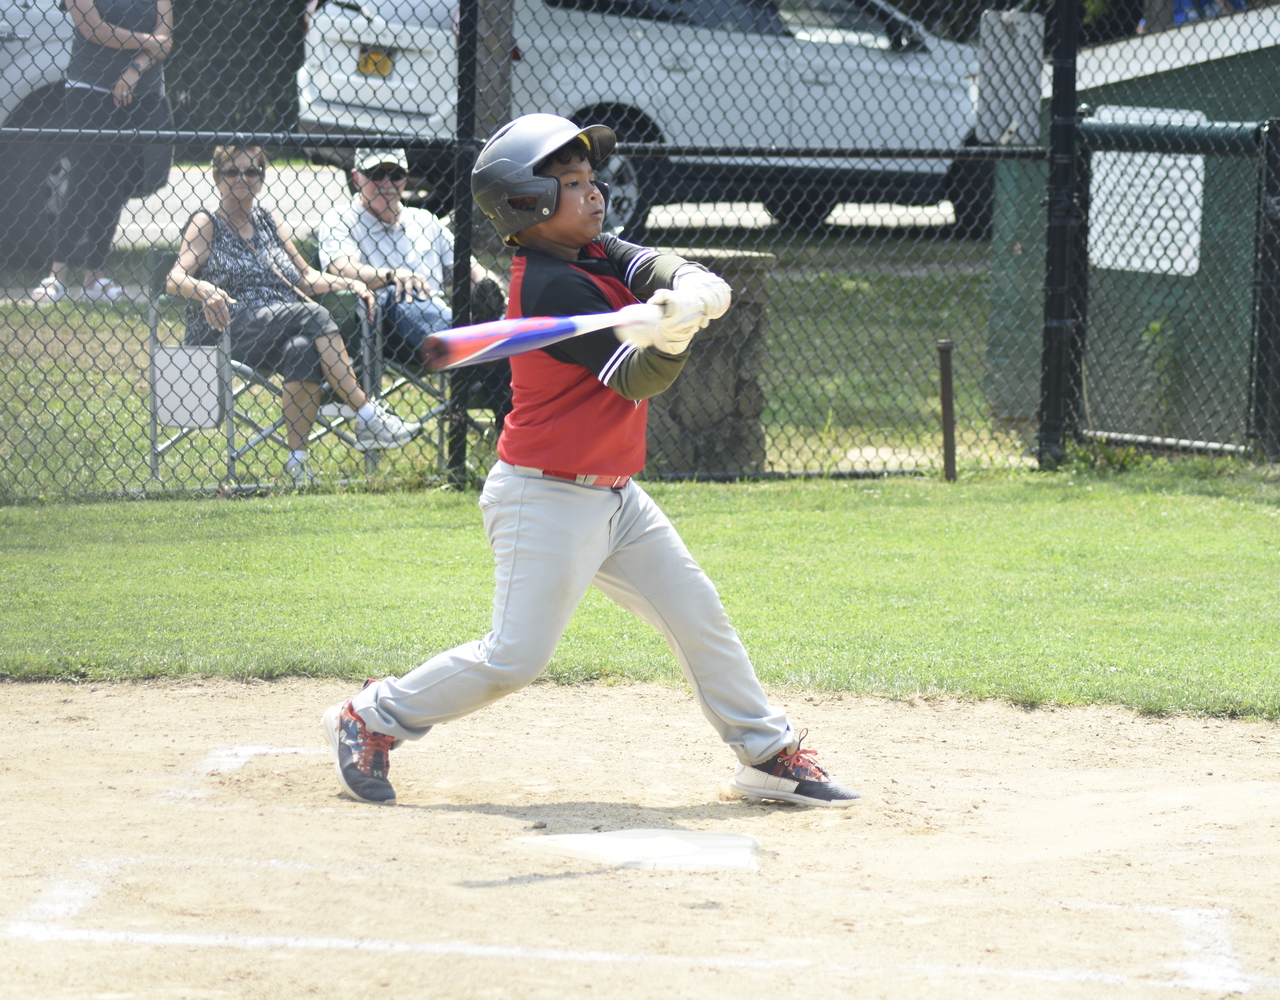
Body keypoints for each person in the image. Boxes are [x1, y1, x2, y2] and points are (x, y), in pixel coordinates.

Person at [321, 114, 861, 809]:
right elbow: (638, 379)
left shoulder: (593, 250)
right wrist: (673, 339)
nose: (594, 193)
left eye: (589, 179)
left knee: (698, 614)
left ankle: (766, 754)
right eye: (572, 184)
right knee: (515, 659)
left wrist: (687, 286)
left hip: (615, 497)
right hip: (544, 500)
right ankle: (371, 716)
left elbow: (649, 262)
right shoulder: (547, 286)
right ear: (529, 205)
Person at [167, 145, 422, 485]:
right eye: (232, 172)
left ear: (261, 180)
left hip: (279, 326)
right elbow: (175, 279)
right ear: (217, 177)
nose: (242, 179)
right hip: (227, 327)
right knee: (313, 317)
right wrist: (206, 291)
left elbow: (305, 278)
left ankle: (296, 464)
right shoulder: (206, 222)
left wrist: (351, 283)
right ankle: (367, 416)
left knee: (303, 347)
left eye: (252, 172)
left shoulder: (270, 223)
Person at [318, 148, 512, 427]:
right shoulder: (341, 219)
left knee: (508, 327)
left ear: (406, 178)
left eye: (395, 174)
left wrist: (493, 286)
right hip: (382, 326)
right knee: (407, 296)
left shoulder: (424, 221)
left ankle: (485, 351)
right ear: (356, 178)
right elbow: (341, 267)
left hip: (440, 317)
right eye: (376, 174)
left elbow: (470, 269)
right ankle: (477, 339)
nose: (386, 183)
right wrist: (392, 276)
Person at [31, 0, 175, 304]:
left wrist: (135, 69)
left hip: (141, 93)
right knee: (84, 180)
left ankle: (94, 276)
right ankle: (57, 276)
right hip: (89, 90)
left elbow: (167, 39)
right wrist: (150, 42)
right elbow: (93, 28)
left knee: (115, 184)